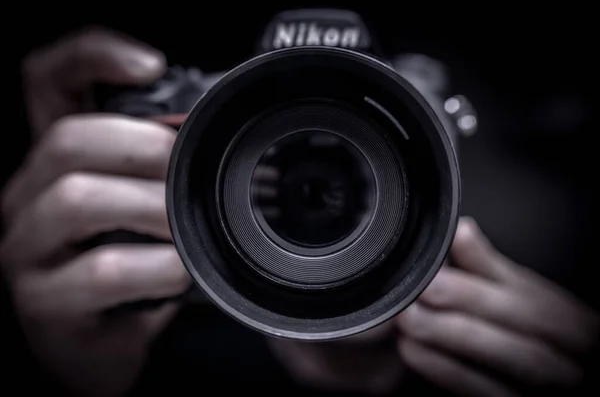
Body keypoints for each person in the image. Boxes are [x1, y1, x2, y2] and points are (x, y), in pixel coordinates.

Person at [0, 28, 597, 397]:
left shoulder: (553, 216)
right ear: (192, 149)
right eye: (269, 176)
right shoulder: (155, 304)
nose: (313, 192)